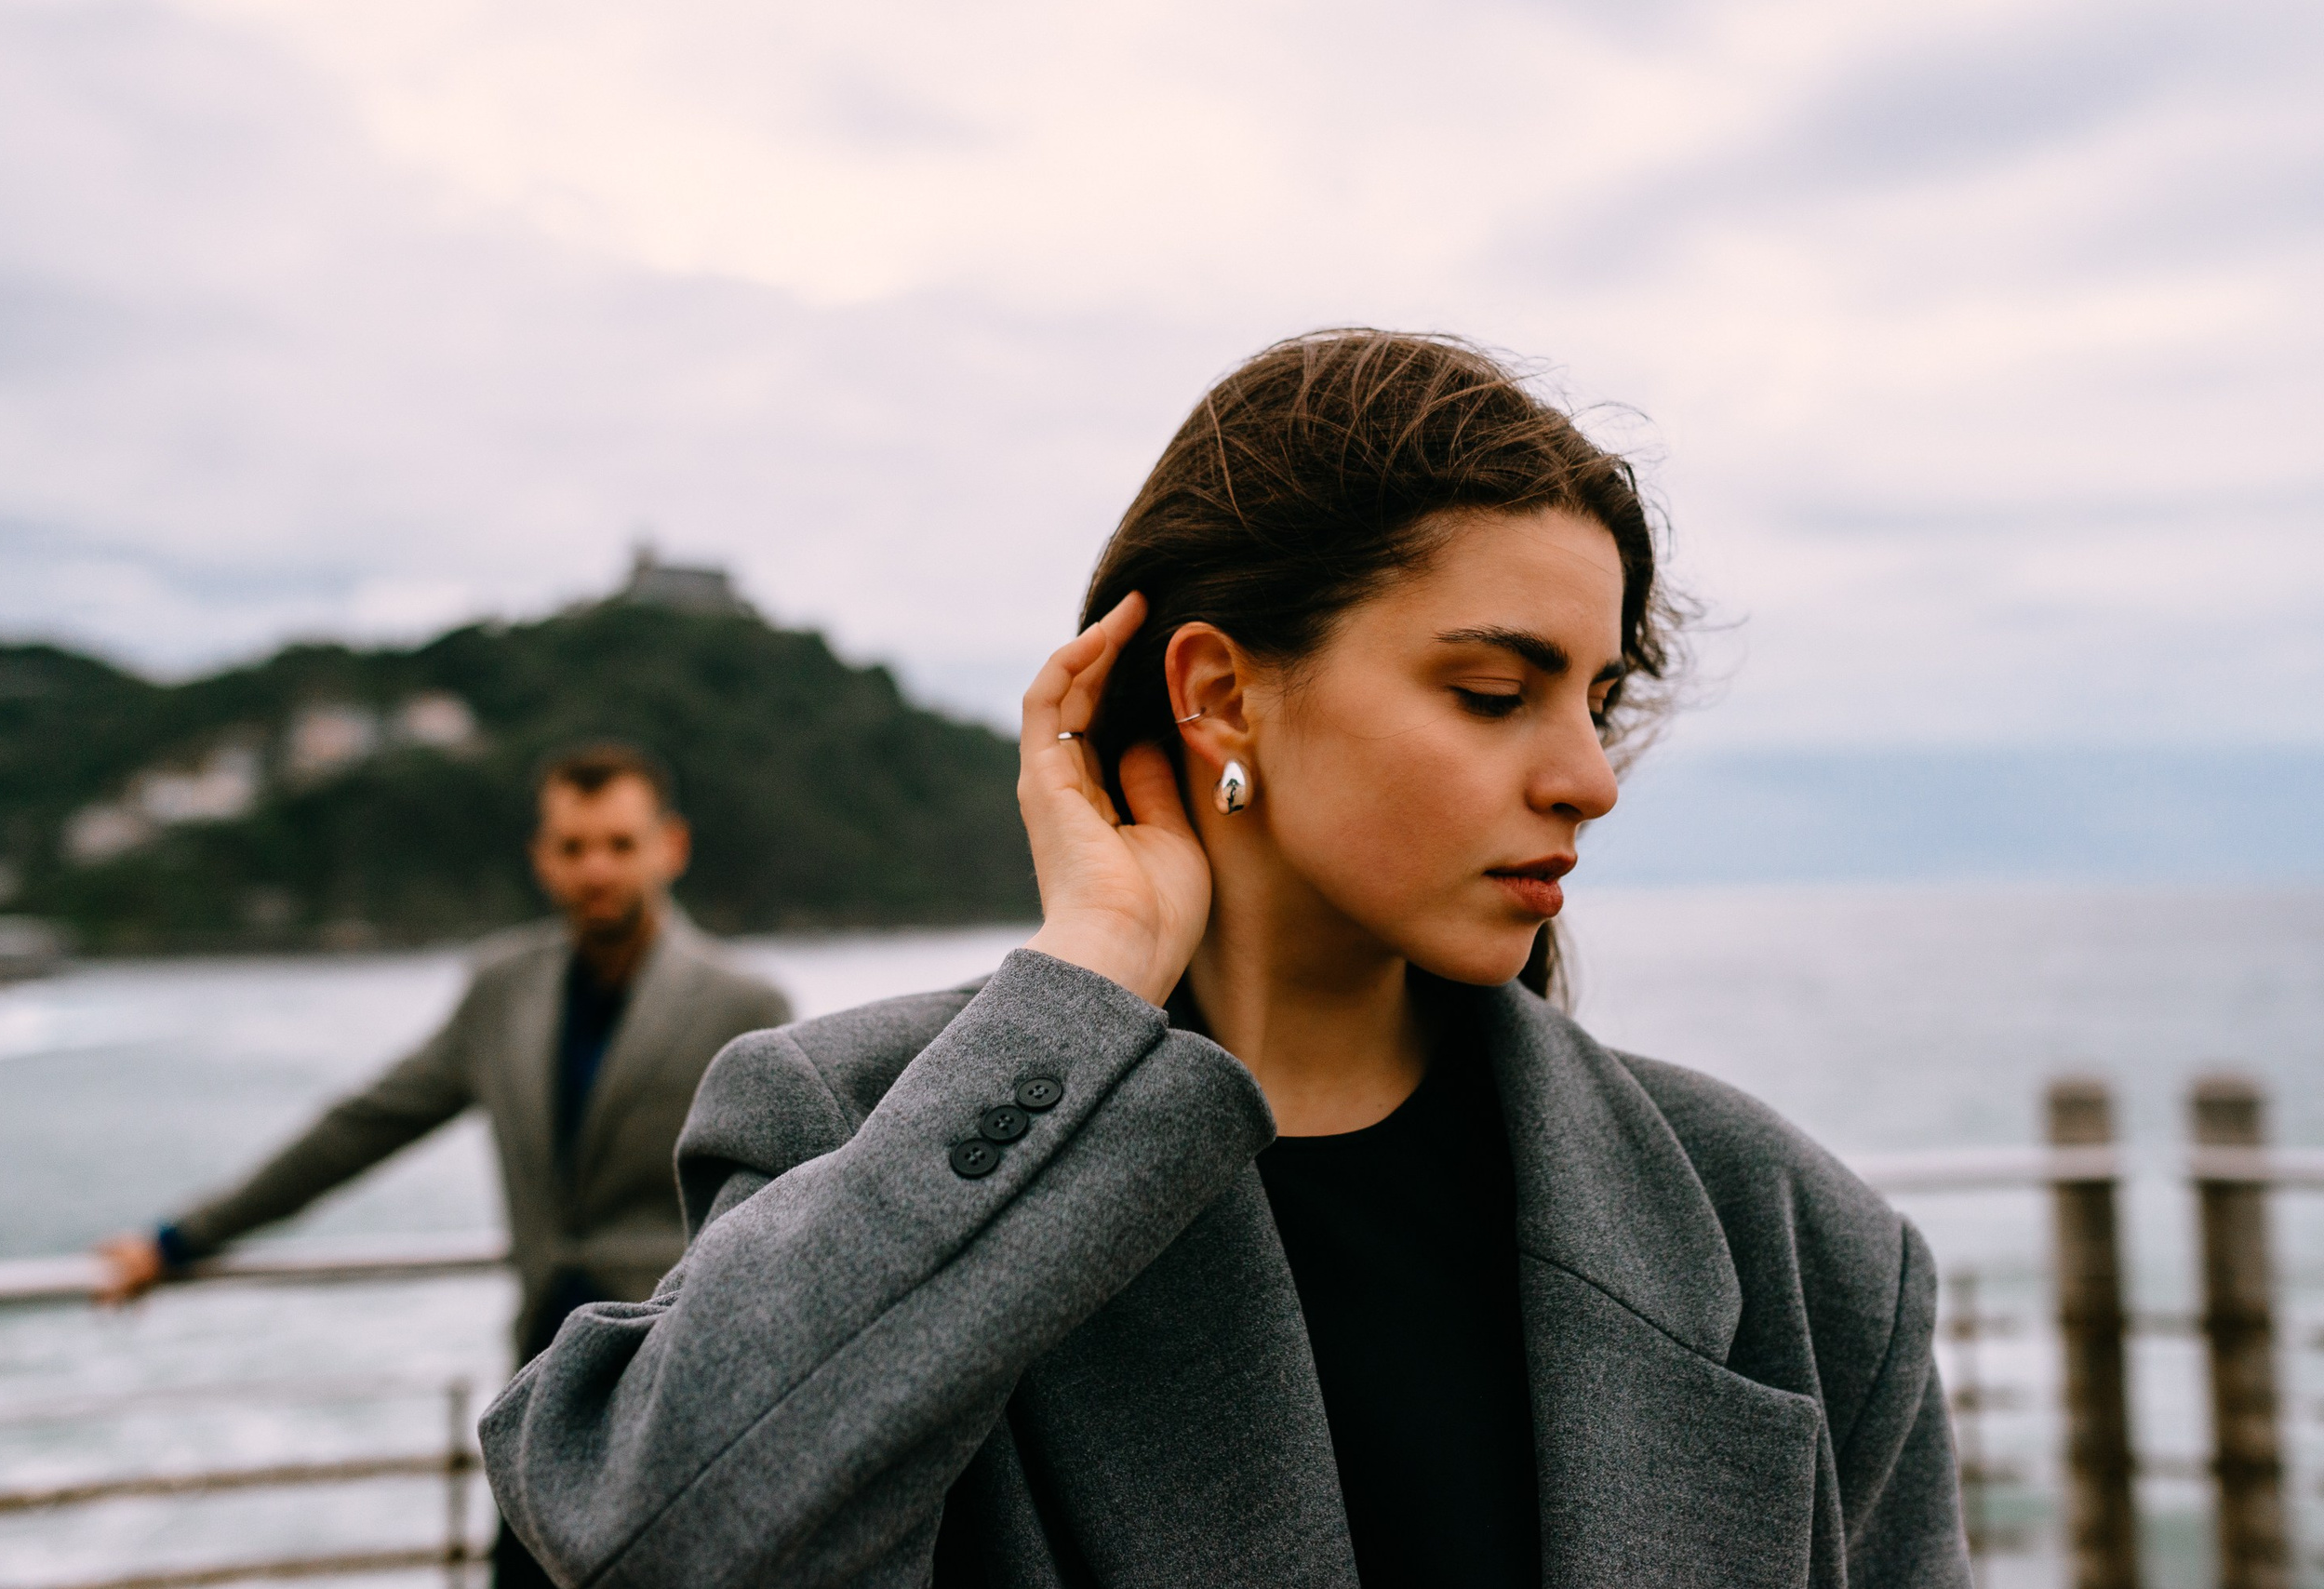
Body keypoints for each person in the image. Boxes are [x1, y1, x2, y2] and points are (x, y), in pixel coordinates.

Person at [481, 333, 1968, 1587]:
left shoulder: (1797, 1245)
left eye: (1597, 696)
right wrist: (1088, 981)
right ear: (1220, 695)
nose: (1589, 778)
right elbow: (657, 1536)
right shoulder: (857, 1128)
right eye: (1491, 691)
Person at [96, 741, 790, 1588]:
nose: (596, 869)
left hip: (680, 1384)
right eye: (573, 847)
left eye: (620, 844)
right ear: (541, 858)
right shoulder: (502, 990)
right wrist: (178, 1239)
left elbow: (791, 1198)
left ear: (669, 847)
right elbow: (364, 1126)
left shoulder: (742, 1002)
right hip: (538, 1383)